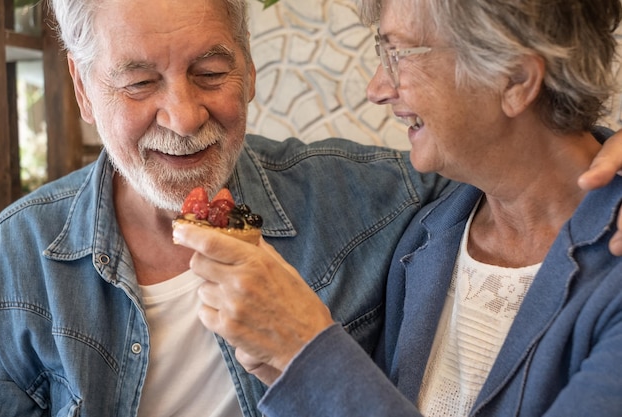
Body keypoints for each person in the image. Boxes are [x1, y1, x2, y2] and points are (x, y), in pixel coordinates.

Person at [173, 0, 622, 416]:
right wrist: (284, 370)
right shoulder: (426, 234)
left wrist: (307, 352)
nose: (377, 88)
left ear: (516, 79)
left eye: (400, 53)